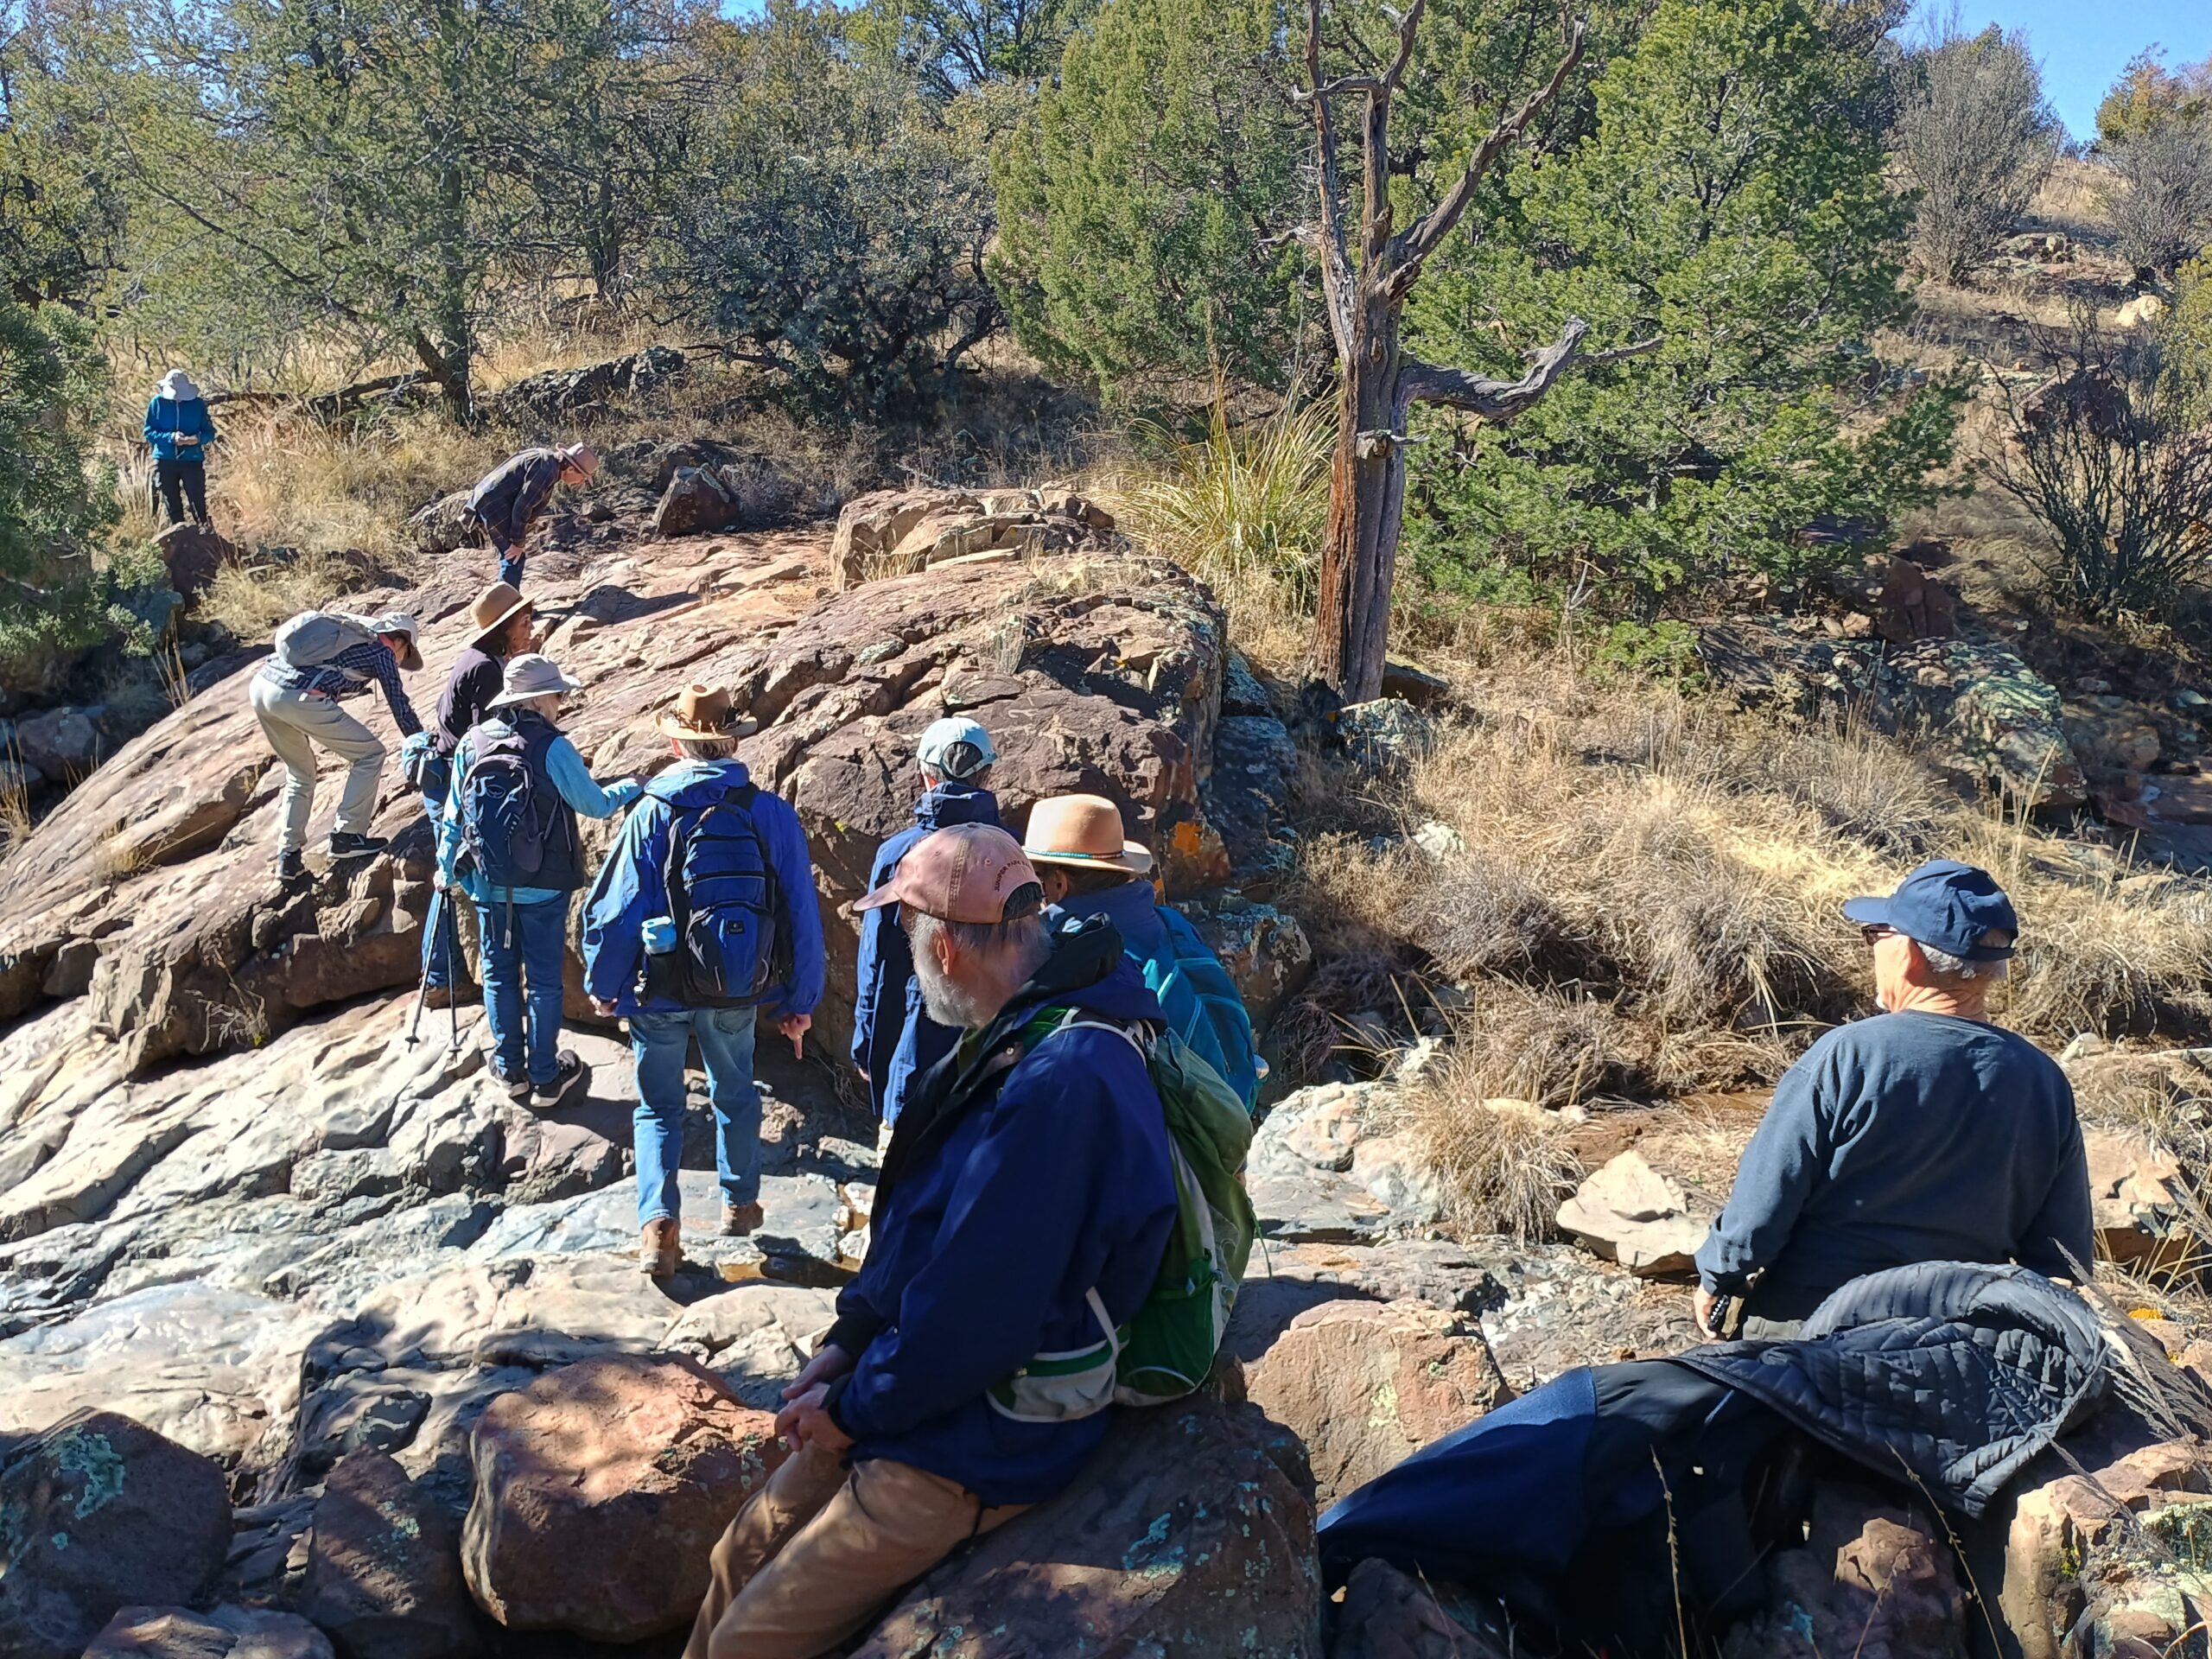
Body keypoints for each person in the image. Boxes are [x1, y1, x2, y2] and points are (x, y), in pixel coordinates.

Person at [683, 823, 1178, 1659]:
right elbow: (931, 1220)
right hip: (922, 1394)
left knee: (747, 1646)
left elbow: (980, 1314)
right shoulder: (1029, 1015)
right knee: (736, 1554)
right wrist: (849, 1341)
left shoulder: (1059, 1081)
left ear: (945, 947)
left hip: (984, 1436)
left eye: (909, 932)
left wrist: (853, 1409)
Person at [1692, 859, 2094, 1340]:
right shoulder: (2044, 1080)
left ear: (1909, 955)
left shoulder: (1847, 1055)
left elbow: (1762, 1210)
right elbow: (2060, 1256)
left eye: (1875, 936)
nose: (1872, 950)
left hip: (1815, 1326)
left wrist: (1719, 1277)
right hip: (1953, 1339)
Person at [582, 683, 826, 1280]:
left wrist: (605, 981)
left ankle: (659, 1226)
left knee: (659, 1109)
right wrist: (800, 1000)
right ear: (732, 740)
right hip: (737, 986)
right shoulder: (765, 811)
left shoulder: (651, 811)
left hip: (657, 986)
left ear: (675, 743)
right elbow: (800, 906)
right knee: (736, 1091)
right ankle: (740, 1204)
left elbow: (616, 909)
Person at [439, 652, 639, 1109]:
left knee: (498, 973)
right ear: (540, 698)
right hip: (543, 884)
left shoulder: (472, 743)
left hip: (487, 882)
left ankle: (510, 1071)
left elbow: (454, 817)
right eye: (557, 694)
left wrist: (447, 871)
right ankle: (547, 1078)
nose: (561, 703)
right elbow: (595, 805)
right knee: (544, 981)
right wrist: (633, 785)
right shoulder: (553, 748)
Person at [1023, 793, 1262, 1110]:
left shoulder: (1064, 948)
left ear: (1060, 884)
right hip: (1226, 1104)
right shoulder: (1171, 922)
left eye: (1038, 878)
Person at [850, 717, 1001, 1137]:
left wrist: (866, 1039)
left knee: (905, 1178)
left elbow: (876, 957)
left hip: (915, 1047)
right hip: (996, 1056)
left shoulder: (897, 853)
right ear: (987, 774)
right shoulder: (1013, 850)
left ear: (924, 776)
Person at [403, 581, 535, 1007]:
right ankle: (439, 977)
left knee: (454, 871)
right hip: (448, 782)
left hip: (442, 775)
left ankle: (442, 972)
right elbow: (486, 737)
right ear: (503, 628)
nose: (529, 623)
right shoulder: (486, 669)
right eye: (522, 619)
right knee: (453, 872)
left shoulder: (484, 660)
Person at [251, 609, 424, 885]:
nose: (402, 662)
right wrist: (422, 746)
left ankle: (289, 856)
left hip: (262, 687)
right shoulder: (382, 651)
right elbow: (400, 706)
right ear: (402, 641)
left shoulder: (347, 637)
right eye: (407, 655)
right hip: (296, 697)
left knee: (300, 772)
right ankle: (346, 837)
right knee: (371, 754)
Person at [464, 442, 600, 587]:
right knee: (514, 558)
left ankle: (504, 600)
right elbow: (522, 507)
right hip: (494, 505)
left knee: (511, 554)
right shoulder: (546, 471)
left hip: (487, 498)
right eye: (583, 477)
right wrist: (517, 542)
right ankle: (507, 605)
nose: (581, 482)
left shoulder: (546, 460)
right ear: (571, 469)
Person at [143, 368, 218, 528]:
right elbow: (149, 432)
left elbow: (209, 432)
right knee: (171, 502)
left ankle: (204, 533)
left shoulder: (197, 405)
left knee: (197, 500)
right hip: (165, 460)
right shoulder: (157, 403)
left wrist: (196, 439)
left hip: (192, 460)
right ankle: (180, 535)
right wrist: (170, 438)